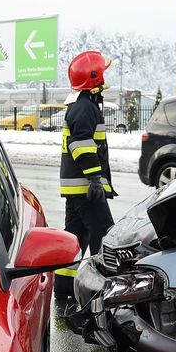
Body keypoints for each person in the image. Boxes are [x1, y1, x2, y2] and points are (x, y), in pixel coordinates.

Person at [56, 50, 116, 296]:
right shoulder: (85, 108)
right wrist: (94, 179)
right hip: (85, 187)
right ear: (94, 79)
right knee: (104, 236)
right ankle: (103, 290)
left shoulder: (82, 105)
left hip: (78, 187)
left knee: (75, 238)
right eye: (101, 75)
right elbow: (80, 145)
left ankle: (63, 288)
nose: (104, 80)